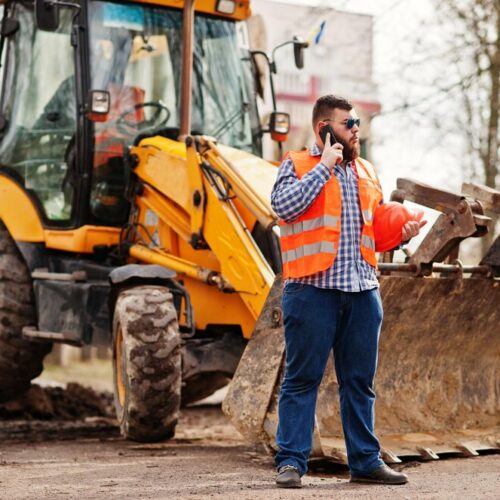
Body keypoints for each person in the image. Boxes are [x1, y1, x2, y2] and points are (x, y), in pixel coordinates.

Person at [270, 94, 425, 489]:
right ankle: (291, 462)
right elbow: (283, 208)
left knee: (359, 382)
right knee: (301, 379)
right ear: (324, 128)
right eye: (348, 124)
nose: (357, 129)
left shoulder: (367, 171)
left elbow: (372, 230)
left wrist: (400, 234)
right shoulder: (297, 164)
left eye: (357, 123)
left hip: (361, 291)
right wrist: (324, 166)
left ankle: (365, 462)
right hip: (311, 291)